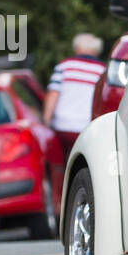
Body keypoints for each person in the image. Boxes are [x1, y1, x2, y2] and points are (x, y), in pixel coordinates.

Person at [44, 33, 106, 161]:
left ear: (76, 48)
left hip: (63, 126)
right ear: (97, 51)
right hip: (88, 128)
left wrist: (46, 120)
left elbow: (53, 94)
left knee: (60, 163)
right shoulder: (103, 70)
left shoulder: (64, 66)